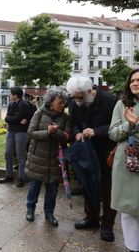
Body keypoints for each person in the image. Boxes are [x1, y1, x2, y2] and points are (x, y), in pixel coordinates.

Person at [66, 76, 117, 242]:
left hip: (105, 151)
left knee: (107, 189)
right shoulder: (75, 101)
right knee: (87, 185)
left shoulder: (109, 100)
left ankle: (107, 225)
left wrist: (96, 131)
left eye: (79, 97)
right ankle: (91, 218)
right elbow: (73, 122)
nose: (76, 101)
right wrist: (77, 133)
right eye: (74, 97)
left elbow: (115, 125)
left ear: (90, 91)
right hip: (86, 151)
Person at [24, 88, 71, 227]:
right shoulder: (39, 113)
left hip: (56, 160)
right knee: (34, 187)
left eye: (64, 102)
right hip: (38, 158)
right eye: (60, 102)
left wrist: (56, 132)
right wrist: (47, 132)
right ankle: (30, 209)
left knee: (52, 190)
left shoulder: (66, 117)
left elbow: (67, 137)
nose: (63, 105)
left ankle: (49, 213)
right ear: (51, 102)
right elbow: (31, 132)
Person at [108, 68, 139, 252]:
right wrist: (130, 123)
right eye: (133, 80)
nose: (135, 83)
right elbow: (113, 133)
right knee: (127, 208)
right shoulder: (122, 104)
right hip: (126, 161)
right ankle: (131, 247)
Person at [0, 87, 30, 188]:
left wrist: (13, 119)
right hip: (11, 131)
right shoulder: (11, 104)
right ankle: (9, 176)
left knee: (20, 156)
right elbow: (7, 118)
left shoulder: (24, 104)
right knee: (8, 153)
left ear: (16, 95)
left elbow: (20, 117)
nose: (9, 95)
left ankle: (21, 178)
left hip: (21, 132)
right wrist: (16, 119)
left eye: (11, 93)